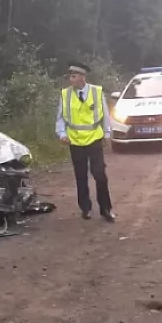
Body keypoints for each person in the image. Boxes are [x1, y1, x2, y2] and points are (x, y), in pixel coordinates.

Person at [56, 61, 116, 222]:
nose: (71, 79)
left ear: (82, 77)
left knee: (100, 174)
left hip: (94, 139)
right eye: (70, 76)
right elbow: (60, 118)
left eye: (74, 76)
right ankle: (85, 208)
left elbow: (104, 115)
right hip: (75, 141)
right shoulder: (65, 94)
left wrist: (107, 134)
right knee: (80, 176)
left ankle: (106, 209)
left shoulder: (97, 92)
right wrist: (62, 133)